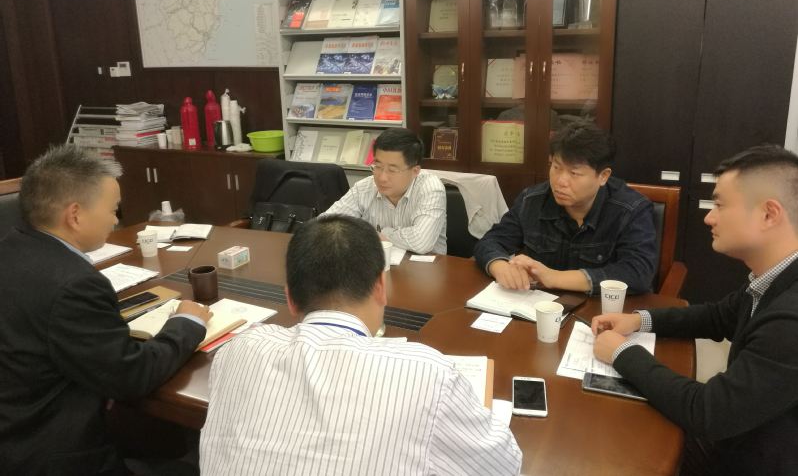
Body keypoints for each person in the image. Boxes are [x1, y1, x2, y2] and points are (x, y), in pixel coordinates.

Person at [200, 215, 521, 475]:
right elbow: (503, 466)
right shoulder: (428, 373)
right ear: (381, 287)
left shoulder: (237, 350)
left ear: (290, 299)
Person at [0, 145, 211, 476]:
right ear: (75, 215)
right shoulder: (74, 284)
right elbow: (132, 376)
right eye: (113, 210)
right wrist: (186, 322)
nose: (116, 219)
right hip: (54, 454)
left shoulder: (11, 248)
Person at [592, 144, 798, 475]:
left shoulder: (790, 320)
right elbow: (717, 316)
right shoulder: (774, 278)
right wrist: (638, 320)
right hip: (743, 434)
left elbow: (709, 412)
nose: (708, 217)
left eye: (720, 205)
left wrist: (622, 353)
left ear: (769, 214)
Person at [474, 122, 657, 295]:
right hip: (539, 306)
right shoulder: (532, 200)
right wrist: (500, 266)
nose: (560, 181)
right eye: (556, 167)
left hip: (602, 310)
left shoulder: (631, 210)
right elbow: (490, 241)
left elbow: (638, 272)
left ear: (603, 176)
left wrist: (554, 278)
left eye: (574, 173)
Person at [323, 128, 447, 254]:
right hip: (376, 262)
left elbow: (421, 242)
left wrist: (379, 234)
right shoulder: (364, 188)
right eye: (378, 166)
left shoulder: (430, 188)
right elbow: (324, 225)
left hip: (427, 265)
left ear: (415, 171)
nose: (382, 178)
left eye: (392, 170)